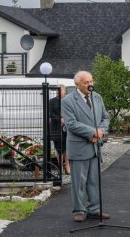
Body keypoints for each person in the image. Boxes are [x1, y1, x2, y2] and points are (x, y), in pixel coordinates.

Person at [61, 71, 110, 222]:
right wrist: (92, 133)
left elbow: (105, 117)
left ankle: (94, 209)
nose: (90, 85)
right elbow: (71, 124)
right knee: (79, 182)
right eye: (86, 82)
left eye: (91, 81)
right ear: (77, 84)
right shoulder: (68, 100)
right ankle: (79, 210)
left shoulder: (97, 97)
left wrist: (101, 132)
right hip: (79, 147)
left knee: (94, 180)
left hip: (95, 146)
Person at [49, 84, 70, 174]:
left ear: (65, 91)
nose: (59, 91)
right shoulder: (52, 101)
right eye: (58, 90)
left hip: (67, 128)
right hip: (56, 127)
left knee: (67, 147)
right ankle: (60, 166)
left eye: (61, 90)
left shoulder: (68, 100)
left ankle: (67, 166)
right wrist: (59, 119)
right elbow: (50, 113)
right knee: (58, 148)